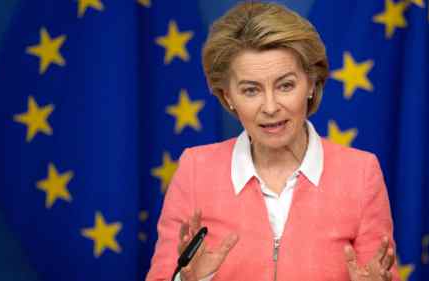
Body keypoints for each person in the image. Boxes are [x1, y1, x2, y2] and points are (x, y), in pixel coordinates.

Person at [146, 2, 399, 281]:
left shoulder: (361, 173)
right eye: (251, 90)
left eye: (285, 85)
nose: (270, 107)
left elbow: (380, 272)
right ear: (228, 95)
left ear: (311, 83)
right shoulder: (195, 169)